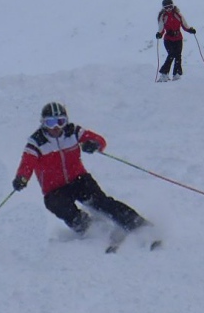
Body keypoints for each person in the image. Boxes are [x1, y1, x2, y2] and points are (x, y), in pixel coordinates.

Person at [12, 102, 150, 241]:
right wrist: (21, 178)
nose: (56, 127)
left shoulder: (73, 132)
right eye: (51, 122)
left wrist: (93, 144)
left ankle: (138, 225)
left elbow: (99, 140)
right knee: (60, 207)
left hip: (79, 180)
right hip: (54, 190)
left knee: (100, 202)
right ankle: (90, 230)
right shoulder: (36, 142)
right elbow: (27, 164)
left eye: (60, 122)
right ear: (43, 123)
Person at [156, 0, 196, 81]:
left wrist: (190, 30)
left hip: (178, 38)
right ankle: (164, 74)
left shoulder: (178, 15)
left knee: (178, 55)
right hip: (168, 39)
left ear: (173, 6)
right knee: (171, 54)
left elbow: (184, 25)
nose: (169, 9)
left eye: (170, 7)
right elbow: (161, 28)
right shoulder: (163, 16)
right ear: (164, 8)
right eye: (166, 7)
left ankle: (176, 74)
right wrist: (159, 34)